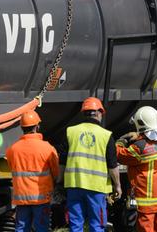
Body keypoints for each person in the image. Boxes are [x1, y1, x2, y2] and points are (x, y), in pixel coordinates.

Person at [61, 97, 122, 232]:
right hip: (96, 188)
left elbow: (62, 162)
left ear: (84, 113)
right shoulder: (106, 135)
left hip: (74, 185)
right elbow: (112, 166)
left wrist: (59, 181)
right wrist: (117, 186)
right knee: (97, 224)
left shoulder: (70, 132)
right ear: (100, 113)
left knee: (75, 224)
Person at [116, 106, 157, 232]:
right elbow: (152, 141)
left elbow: (119, 155)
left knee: (145, 228)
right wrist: (139, 136)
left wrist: (121, 141)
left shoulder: (139, 148)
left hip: (146, 198)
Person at [5, 109, 60, 232]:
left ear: (22, 127)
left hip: (22, 199)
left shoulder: (12, 150)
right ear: (37, 126)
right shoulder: (47, 148)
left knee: (21, 228)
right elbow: (55, 173)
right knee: (41, 228)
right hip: (41, 199)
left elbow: (11, 167)